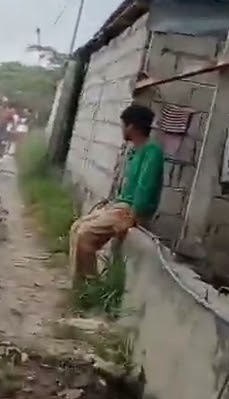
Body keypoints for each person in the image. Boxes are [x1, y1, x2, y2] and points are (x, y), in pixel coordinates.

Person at [68, 104, 164, 286]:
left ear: (131, 126)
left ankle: (90, 286)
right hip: (120, 206)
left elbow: (146, 188)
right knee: (76, 228)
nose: (122, 129)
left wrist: (131, 218)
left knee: (84, 235)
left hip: (129, 210)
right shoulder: (136, 151)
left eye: (123, 125)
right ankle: (79, 285)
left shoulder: (152, 151)